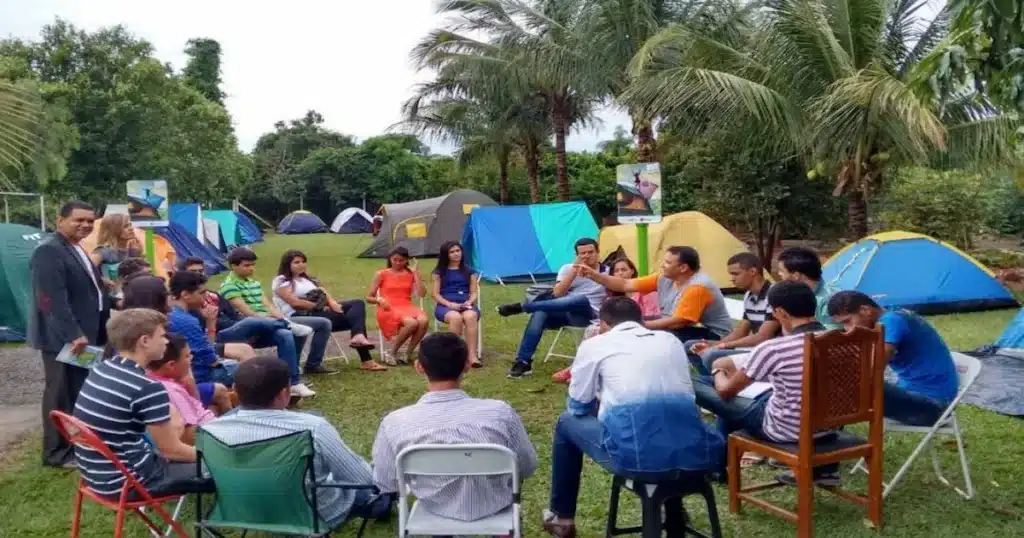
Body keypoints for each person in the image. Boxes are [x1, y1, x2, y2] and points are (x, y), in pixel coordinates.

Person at [540, 297, 724, 538]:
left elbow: (578, 406)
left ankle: (562, 517)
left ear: (603, 325)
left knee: (566, 422)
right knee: (664, 422)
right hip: (699, 454)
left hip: (638, 459)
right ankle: (673, 510)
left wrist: (603, 400)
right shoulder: (670, 341)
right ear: (641, 320)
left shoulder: (596, 345)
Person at [203, 357, 387, 528]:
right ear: (285, 393)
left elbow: (207, 474)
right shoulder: (313, 428)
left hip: (245, 513)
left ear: (235, 389)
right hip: (312, 514)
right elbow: (363, 479)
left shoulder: (211, 431)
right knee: (380, 490)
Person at [372, 332, 537, 523]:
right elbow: (527, 464)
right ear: (467, 365)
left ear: (419, 367)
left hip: (434, 508)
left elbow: (385, 481)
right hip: (495, 503)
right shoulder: (500, 413)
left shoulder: (395, 423)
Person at [692, 281, 837, 486]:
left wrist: (718, 370)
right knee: (733, 401)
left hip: (786, 429)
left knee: (697, 383)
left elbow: (725, 392)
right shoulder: (846, 341)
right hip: (830, 425)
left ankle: (717, 467)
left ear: (781, 313)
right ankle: (719, 467)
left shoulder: (775, 348)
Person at [72, 309, 212, 498]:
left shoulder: (102, 369)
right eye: (162, 336)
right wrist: (217, 458)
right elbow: (171, 451)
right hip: (129, 483)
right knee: (233, 470)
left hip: (96, 475)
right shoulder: (147, 387)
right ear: (144, 341)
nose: (166, 341)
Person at [29, 201, 110, 468]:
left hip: (85, 334)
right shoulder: (49, 250)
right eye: (79, 220)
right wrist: (72, 333)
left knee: (78, 389)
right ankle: (56, 453)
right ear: (60, 220)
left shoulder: (75, 247)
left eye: (90, 221)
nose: (85, 225)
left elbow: (82, 288)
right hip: (64, 339)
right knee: (60, 394)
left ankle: (77, 443)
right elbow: (50, 298)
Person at [828, 291, 959, 426]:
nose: (848, 330)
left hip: (935, 407)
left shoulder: (891, 321)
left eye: (848, 321)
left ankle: (827, 432)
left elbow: (873, 368)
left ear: (865, 310)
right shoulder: (894, 315)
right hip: (921, 397)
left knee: (851, 384)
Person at [497, 238, 610, 379]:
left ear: (598, 253)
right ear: (576, 255)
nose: (587, 256)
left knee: (581, 299)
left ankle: (524, 307)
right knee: (540, 312)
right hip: (565, 311)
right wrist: (574, 271)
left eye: (590, 252)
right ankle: (523, 362)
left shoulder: (608, 271)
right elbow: (557, 294)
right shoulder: (568, 269)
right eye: (583, 253)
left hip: (589, 315)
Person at [576, 246, 733, 344]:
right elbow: (625, 284)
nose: (662, 265)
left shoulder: (698, 287)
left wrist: (632, 325)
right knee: (608, 327)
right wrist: (594, 275)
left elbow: (678, 323)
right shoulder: (664, 278)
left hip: (713, 334)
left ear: (683, 268)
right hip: (678, 326)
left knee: (633, 334)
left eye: (668, 263)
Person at [218, 247, 315, 398]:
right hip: (244, 327)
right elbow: (245, 311)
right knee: (253, 321)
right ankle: (289, 325)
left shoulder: (254, 283)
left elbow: (268, 306)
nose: (251, 268)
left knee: (285, 334)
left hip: (267, 324)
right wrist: (268, 319)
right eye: (246, 265)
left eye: (253, 265)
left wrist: (280, 318)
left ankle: (293, 382)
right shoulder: (228, 286)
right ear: (233, 266)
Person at [272, 249, 385, 372]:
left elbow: (323, 292)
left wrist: (332, 303)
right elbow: (295, 303)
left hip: (319, 313)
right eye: (296, 262)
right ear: (287, 264)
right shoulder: (282, 280)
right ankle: (364, 358)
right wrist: (318, 306)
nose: (301, 265)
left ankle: (359, 338)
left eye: (303, 262)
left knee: (357, 305)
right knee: (353, 321)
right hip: (298, 316)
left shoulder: (307, 279)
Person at [550, 256, 657, 384]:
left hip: (637, 329)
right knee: (593, 330)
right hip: (614, 330)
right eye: (616, 271)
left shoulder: (645, 293)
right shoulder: (611, 298)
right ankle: (579, 369)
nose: (620, 273)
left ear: (632, 271)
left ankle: (576, 370)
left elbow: (651, 316)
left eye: (624, 270)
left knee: (596, 332)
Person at [687, 252, 781, 375]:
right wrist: (714, 344)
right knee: (691, 345)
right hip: (754, 348)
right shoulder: (749, 295)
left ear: (753, 271)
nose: (732, 279)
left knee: (711, 354)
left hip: (768, 352)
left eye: (736, 274)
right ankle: (712, 379)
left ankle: (716, 381)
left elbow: (763, 337)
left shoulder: (774, 294)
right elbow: (740, 332)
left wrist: (722, 346)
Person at [145, 333, 231, 445]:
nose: (191, 358)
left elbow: (196, 412)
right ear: (171, 365)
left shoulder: (162, 379)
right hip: (215, 437)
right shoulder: (172, 391)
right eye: (187, 356)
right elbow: (189, 435)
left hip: (211, 427)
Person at [168, 271, 246, 388]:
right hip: (200, 376)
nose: (206, 296)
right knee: (251, 370)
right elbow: (211, 360)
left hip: (188, 372)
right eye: (202, 292)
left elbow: (207, 350)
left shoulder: (173, 314)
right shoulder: (187, 321)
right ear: (185, 295)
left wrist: (210, 322)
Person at [178, 256, 256, 364]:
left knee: (273, 331)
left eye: (200, 271)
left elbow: (232, 314)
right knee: (252, 324)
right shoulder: (188, 309)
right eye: (193, 271)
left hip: (223, 330)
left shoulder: (213, 295)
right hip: (219, 334)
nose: (198, 274)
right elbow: (207, 353)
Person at [366, 247, 428, 366]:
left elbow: (422, 294)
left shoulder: (410, 273)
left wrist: (415, 273)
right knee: (412, 323)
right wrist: (379, 299)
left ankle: (407, 353)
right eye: (395, 260)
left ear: (406, 260)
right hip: (389, 306)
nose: (398, 263)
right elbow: (369, 298)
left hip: (406, 305)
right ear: (390, 259)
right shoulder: (381, 274)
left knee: (423, 320)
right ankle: (392, 352)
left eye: (401, 260)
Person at [431, 241, 481, 367]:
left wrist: (469, 302)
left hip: (466, 303)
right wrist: (450, 304)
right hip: (445, 305)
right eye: (452, 252)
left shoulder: (470, 271)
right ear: (446, 255)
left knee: (470, 316)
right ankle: (455, 355)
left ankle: (472, 356)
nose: (456, 254)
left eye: (458, 251)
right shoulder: (439, 272)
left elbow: (474, 292)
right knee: (456, 318)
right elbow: (435, 294)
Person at [777, 247, 840, 329]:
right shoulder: (793, 294)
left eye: (781, 271)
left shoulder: (829, 300)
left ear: (796, 276)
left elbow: (832, 334)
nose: (779, 274)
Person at [89, 213, 142, 282]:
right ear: (113, 229)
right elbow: (86, 270)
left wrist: (136, 254)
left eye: (130, 225)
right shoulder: (103, 251)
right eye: (125, 226)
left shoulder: (133, 249)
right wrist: (102, 280)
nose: (131, 228)